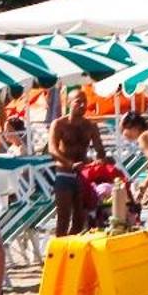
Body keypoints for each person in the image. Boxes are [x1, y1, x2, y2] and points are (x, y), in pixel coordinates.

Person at [49, 90, 105, 236]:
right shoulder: (59, 124)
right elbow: (52, 149)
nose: (82, 105)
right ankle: (59, 253)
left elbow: (100, 150)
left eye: (84, 102)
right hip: (64, 174)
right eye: (78, 102)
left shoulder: (90, 126)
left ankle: (71, 252)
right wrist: (69, 164)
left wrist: (100, 160)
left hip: (83, 176)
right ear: (69, 103)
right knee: (63, 219)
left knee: (80, 220)